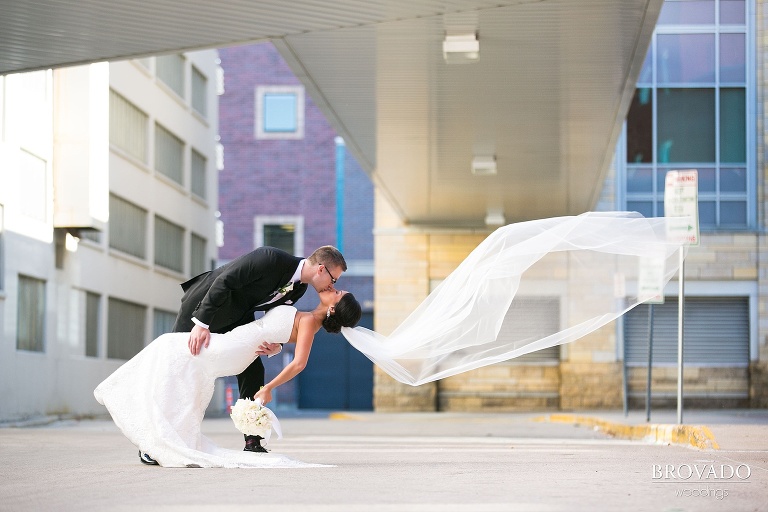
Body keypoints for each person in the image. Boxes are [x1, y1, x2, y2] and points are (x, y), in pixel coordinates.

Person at [94, 290, 362, 468]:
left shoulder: (308, 324)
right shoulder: (305, 317)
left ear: (333, 308)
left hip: (234, 348)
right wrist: (276, 347)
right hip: (237, 342)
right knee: (181, 370)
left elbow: (299, 363)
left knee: (167, 345)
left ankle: (128, 399)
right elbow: (278, 335)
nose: (333, 289)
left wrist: (268, 387)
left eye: (338, 293)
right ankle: (164, 432)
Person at [169, 245, 346, 460]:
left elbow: (275, 319)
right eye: (333, 279)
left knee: (253, 369)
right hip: (203, 306)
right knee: (178, 369)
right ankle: (154, 442)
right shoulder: (270, 258)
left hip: (237, 320)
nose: (332, 285)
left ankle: (252, 439)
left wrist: (276, 346)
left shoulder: (298, 288)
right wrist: (201, 323)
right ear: (321, 269)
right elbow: (225, 281)